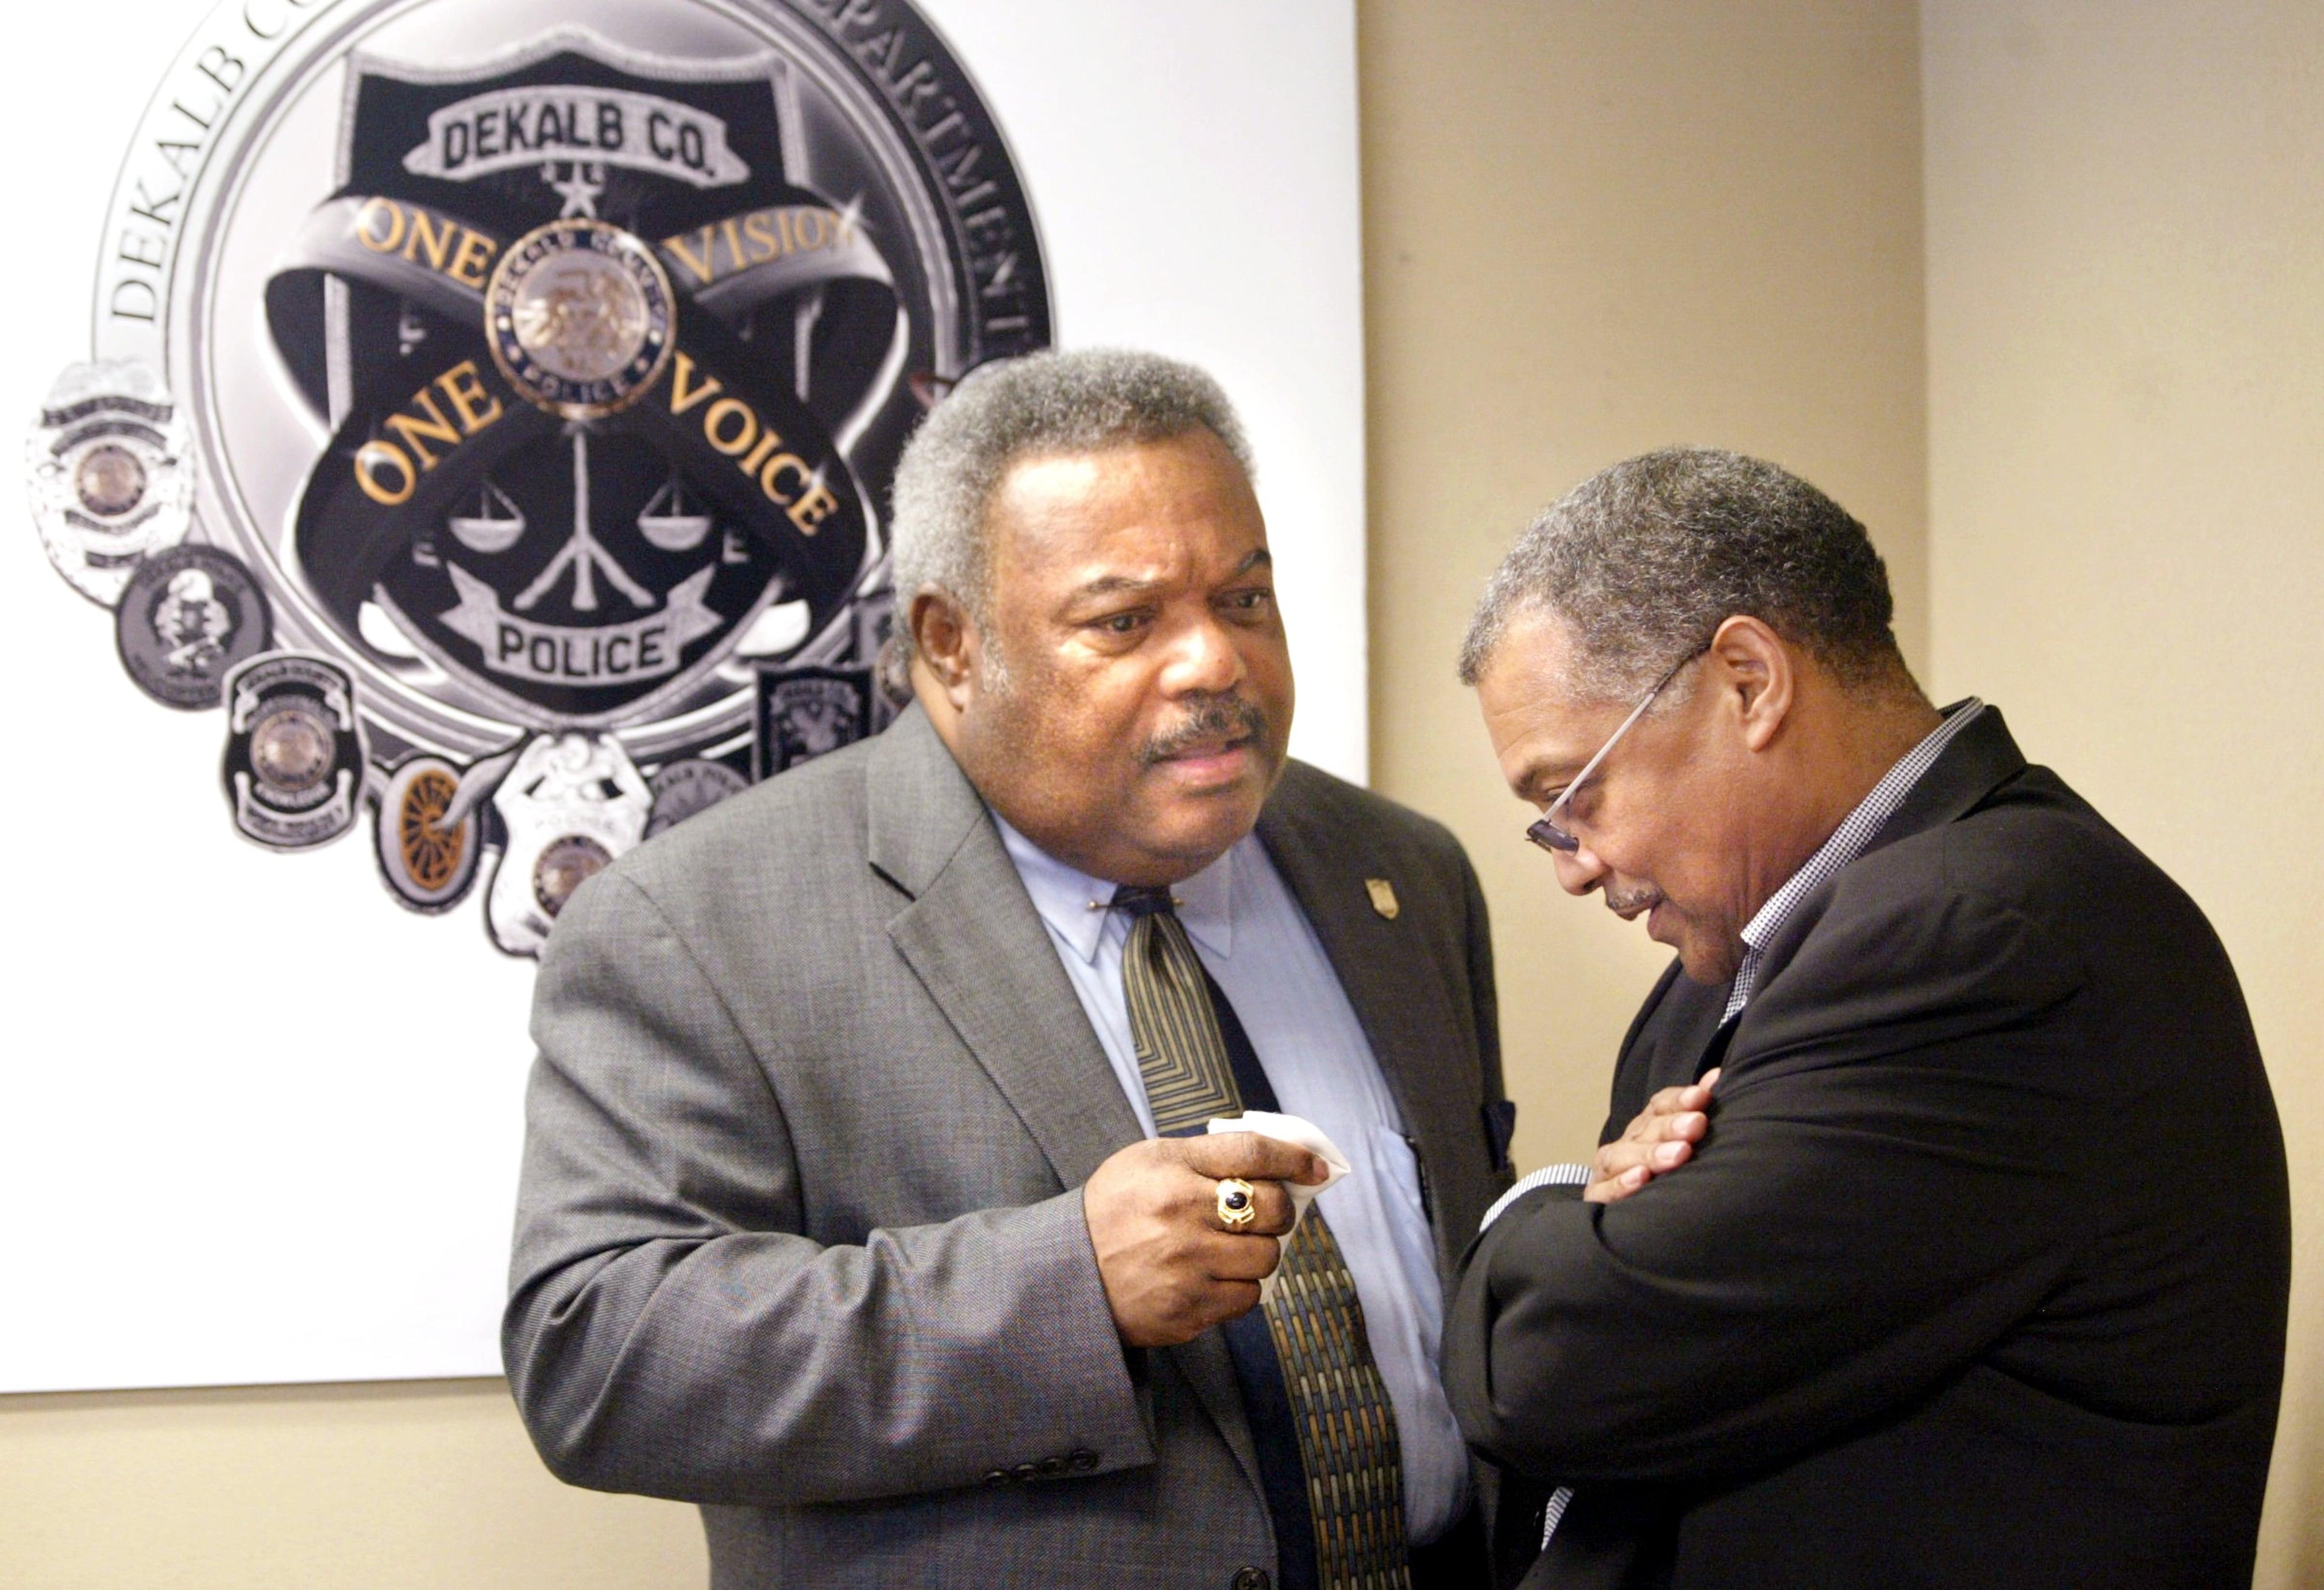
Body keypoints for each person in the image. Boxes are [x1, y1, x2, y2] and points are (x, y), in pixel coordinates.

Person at [505, 348, 1513, 1589]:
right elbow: (601, 1359)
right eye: (1125, 621)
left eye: (1244, 598)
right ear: (951, 644)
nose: (1214, 662)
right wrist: (1066, 1288)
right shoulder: (697, 929)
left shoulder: (1400, 873)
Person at [1443, 447, 2290, 1590]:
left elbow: (1557, 1370)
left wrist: (1534, 1207)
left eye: (1570, 796)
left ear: (1750, 682)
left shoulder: (1982, 938)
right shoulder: (1715, 976)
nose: (1573, 866)